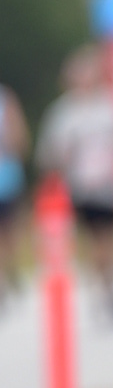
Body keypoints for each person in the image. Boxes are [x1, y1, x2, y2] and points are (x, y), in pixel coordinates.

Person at [37, 47, 113, 320]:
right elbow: (50, 154)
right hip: (82, 186)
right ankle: (107, 291)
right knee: (96, 242)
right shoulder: (63, 113)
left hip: (110, 182)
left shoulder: (109, 105)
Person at [0, 83, 27, 300]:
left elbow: (20, 137)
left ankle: (10, 270)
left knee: (8, 229)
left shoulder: (5, 98)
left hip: (5, 172)